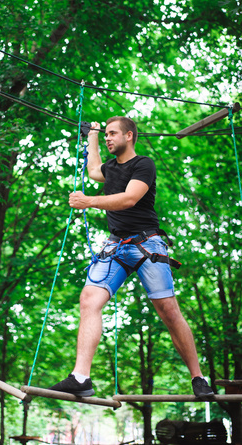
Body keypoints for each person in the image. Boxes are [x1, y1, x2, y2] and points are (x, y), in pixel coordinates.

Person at [49, 116, 214, 400]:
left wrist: (88, 201)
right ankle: (80, 377)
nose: (109, 138)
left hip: (147, 244)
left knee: (169, 312)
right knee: (89, 299)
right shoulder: (110, 167)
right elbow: (92, 170)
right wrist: (93, 135)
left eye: (113, 134)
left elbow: (128, 198)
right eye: (107, 134)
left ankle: (198, 377)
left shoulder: (143, 164)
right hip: (116, 247)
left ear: (129, 136)